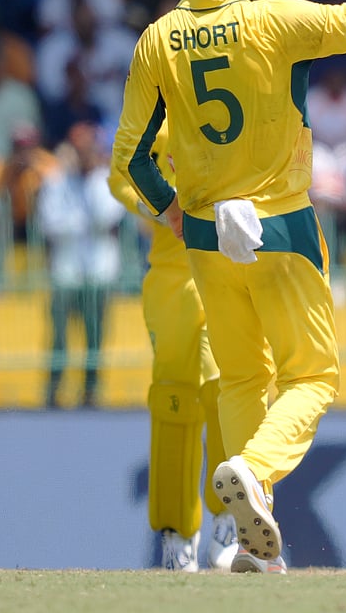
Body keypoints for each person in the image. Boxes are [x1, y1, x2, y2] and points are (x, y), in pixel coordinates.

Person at [111, 0, 346, 574]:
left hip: (209, 234)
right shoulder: (272, 21)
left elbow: (130, 156)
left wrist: (176, 214)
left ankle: (251, 540)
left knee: (244, 377)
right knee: (314, 377)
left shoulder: (157, 39)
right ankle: (252, 467)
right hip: (281, 222)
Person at [107, 122, 238, 573]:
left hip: (229, 273)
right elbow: (119, 172)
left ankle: (229, 514)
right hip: (174, 279)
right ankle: (178, 532)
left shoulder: (233, 101)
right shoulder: (154, 120)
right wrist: (160, 207)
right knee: (174, 399)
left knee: (228, 388)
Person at [36, 121, 124, 407]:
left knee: (94, 336)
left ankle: (90, 391)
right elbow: (49, 222)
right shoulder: (56, 181)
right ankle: (53, 389)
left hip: (99, 270)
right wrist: (80, 224)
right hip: (67, 270)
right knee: (59, 336)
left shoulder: (104, 180)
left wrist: (90, 180)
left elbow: (108, 216)